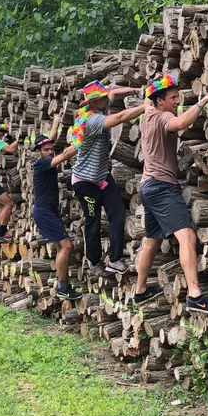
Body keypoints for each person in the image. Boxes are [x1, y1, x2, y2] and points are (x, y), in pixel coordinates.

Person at [134, 75, 208, 313]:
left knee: (153, 240)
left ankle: (140, 290)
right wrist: (204, 100)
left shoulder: (148, 112)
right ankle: (195, 295)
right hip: (162, 187)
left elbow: (147, 98)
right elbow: (180, 124)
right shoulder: (164, 116)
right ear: (160, 101)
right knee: (187, 238)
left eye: (178, 96)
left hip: (147, 186)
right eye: (173, 98)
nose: (177, 101)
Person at [67, 80, 146, 274]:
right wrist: (146, 106)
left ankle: (115, 259)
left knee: (117, 212)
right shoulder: (91, 120)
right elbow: (120, 117)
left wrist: (137, 90)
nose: (106, 98)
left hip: (102, 177)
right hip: (85, 183)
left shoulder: (102, 104)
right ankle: (95, 262)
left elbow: (114, 93)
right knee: (93, 222)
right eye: (101, 97)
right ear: (93, 103)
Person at [31, 115, 81, 300]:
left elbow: (50, 138)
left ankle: (63, 285)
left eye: (52, 149)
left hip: (49, 210)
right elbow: (66, 155)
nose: (50, 152)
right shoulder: (41, 164)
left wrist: (56, 122)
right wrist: (82, 137)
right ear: (39, 152)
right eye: (46, 150)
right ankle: (62, 287)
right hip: (43, 212)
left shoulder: (46, 155)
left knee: (64, 247)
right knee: (66, 246)